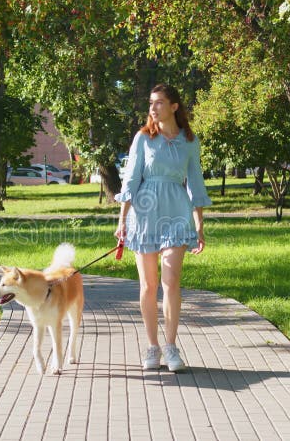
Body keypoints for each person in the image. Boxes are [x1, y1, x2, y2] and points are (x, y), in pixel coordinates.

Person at [114, 83, 211, 372]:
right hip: (144, 215)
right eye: (151, 103)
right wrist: (122, 220)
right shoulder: (143, 138)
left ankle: (171, 347)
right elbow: (130, 180)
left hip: (177, 214)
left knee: (171, 283)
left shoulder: (189, 140)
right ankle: (152, 348)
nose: (153, 108)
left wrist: (199, 226)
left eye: (159, 103)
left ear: (174, 107)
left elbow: (195, 184)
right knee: (149, 285)